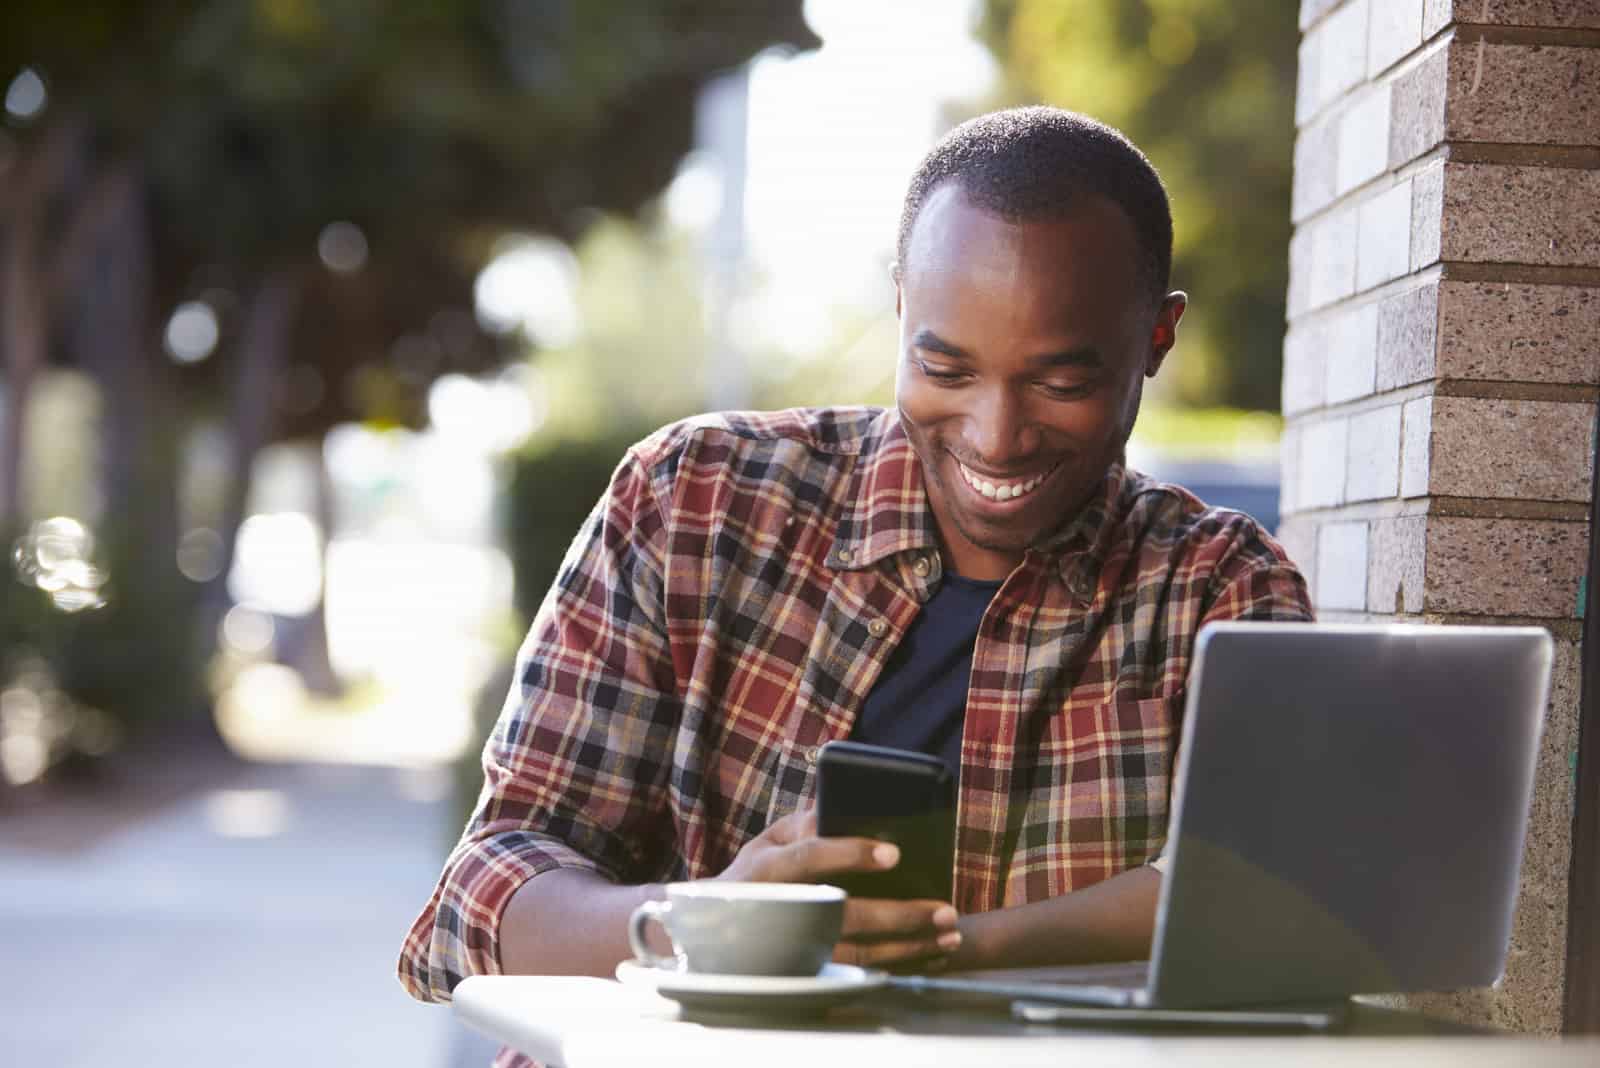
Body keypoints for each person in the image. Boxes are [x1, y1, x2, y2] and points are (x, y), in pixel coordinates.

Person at [398, 106, 1311, 1020]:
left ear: (1157, 337)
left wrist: (938, 953)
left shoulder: (1220, 591)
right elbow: (486, 889)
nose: (994, 437)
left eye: (1060, 384)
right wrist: (708, 923)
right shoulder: (695, 501)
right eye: (947, 371)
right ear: (903, 305)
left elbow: (1269, 901)